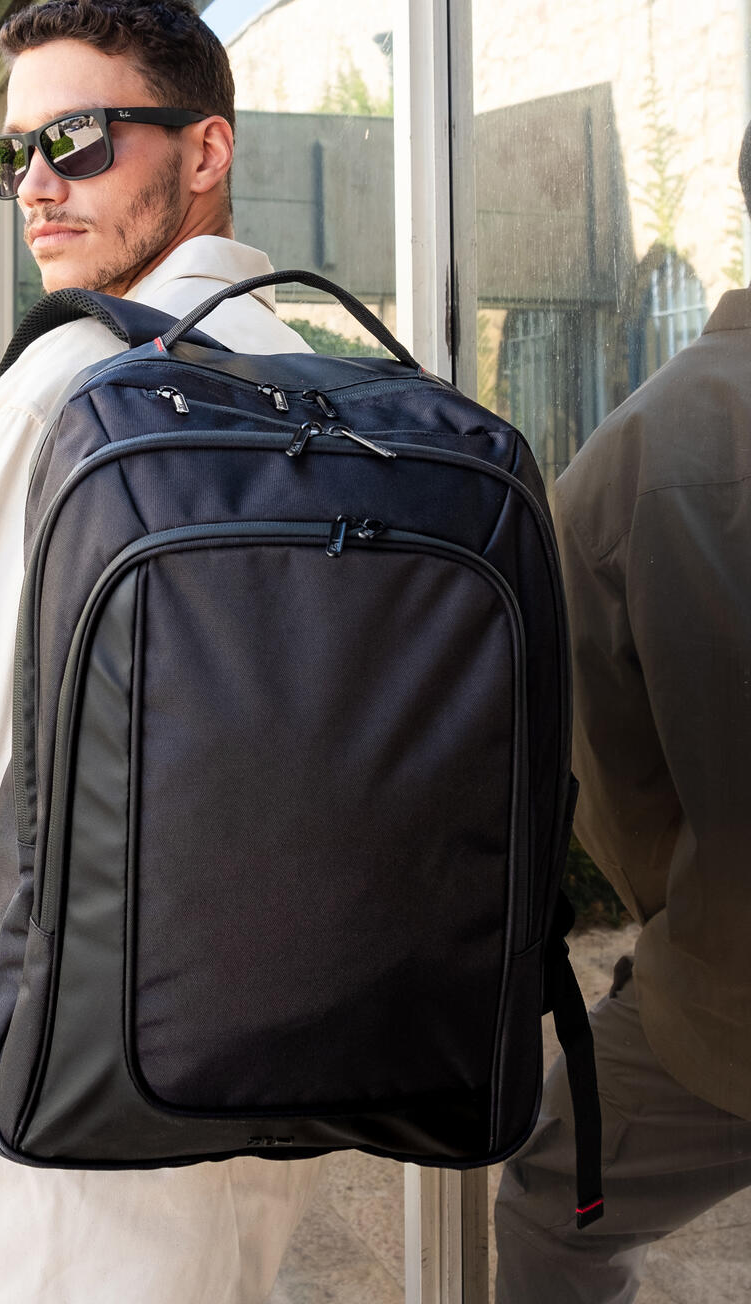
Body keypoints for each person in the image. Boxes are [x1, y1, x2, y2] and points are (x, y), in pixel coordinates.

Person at [0, 4, 322, 1300]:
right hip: (263, 1090)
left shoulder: (66, 391)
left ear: (205, 150)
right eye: (14, 154)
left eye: (81, 139)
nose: (34, 185)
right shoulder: (327, 388)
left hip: (55, 1140)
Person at [494, 123, 751, 1302]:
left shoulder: (637, 449)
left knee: (556, 1201)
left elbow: (604, 773)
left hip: (730, 1002)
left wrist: (689, 907)